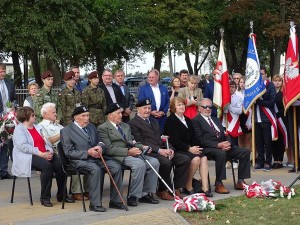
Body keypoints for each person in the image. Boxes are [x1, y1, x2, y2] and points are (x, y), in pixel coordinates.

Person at [60, 105, 124, 212]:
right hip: (79, 161)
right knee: (95, 169)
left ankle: (116, 201)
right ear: (76, 117)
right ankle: (95, 204)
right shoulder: (66, 131)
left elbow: (101, 141)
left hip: (97, 158)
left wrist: (99, 146)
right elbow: (69, 152)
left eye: (88, 115)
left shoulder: (91, 126)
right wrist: (87, 152)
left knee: (116, 167)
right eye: (83, 116)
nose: (87, 118)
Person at [98, 103, 160, 207]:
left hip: (131, 153)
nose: (121, 115)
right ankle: (133, 196)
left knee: (154, 162)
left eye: (121, 113)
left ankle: (145, 194)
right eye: (118, 113)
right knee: (139, 164)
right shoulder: (103, 128)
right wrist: (128, 152)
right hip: (117, 156)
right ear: (110, 115)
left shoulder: (125, 126)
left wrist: (143, 147)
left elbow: (132, 141)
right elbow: (108, 149)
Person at [128, 98, 191, 200]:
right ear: (138, 109)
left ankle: (176, 187)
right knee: (166, 162)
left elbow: (162, 137)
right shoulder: (133, 123)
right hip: (149, 152)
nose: (148, 110)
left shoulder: (154, 121)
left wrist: (170, 149)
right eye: (145, 108)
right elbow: (141, 142)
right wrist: (159, 150)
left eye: (149, 108)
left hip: (162, 150)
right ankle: (162, 190)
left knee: (184, 159)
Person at [11, 106, 74, 207]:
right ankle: (45, 198)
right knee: (47, 167)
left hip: (44, 153)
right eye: (33, 115)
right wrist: (41, 154)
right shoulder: (19, 130)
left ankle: (62, 195)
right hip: (28, 155)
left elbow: (45, 142)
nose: (35, 116)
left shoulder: (37, 127)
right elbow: (23, 147)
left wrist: (49, 152)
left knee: (60, 165)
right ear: (26, 117)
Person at [192, 98, 251, 194]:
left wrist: (228, 143)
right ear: (199, 108)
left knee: (245, 151)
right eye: (205, 107)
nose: (208, 109)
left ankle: (240, 181)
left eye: (210, 107)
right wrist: (218, 145)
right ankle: (219, 183)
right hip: (208, 148)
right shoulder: (195, 121)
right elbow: (200, 140)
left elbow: (225, 134)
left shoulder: (215, 119)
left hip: (222, 145)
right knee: (221, 153)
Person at [164, 97, 212, 197]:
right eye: (179, 105)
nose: (182, 107)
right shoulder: (170, 120)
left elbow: (194, 137)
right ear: (174, 107)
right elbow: (174, 140)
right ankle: (188, 185)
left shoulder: (188, 120)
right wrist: (189, 148)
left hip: (189, 148)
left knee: (203, 157)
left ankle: (205, 187)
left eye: (182, 104)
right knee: (196, 159)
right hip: (178, 150)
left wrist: (196, 148)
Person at [254, 67, 276, 171]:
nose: (260, 76)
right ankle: (260, 161)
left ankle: (268, 162)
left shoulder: (270, 85)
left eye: (262, 74)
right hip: (256, 118)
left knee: (267, 142)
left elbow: (271, 102)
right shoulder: (254, 87)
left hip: (266, 118)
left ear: (266, 74)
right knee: (259, 143)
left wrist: (260, 101)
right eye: (258, 74)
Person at [138, 69, 169, 133]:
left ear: (157, 78)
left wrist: (163, 112)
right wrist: (150, 112)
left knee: (162, 136)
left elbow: (167, 101)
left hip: (162, 118)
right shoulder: (143, 89)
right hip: (149, 117)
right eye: (149, 77)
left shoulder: (164, 88)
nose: (150, 79)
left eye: (152, 77)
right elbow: (141, 102)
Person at [0, 63, 16, 180]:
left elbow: (14, 98)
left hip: (8, 118)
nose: (3, 73)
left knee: (5, 144)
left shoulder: (9, 83)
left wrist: (13, 107)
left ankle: (4, 171)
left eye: (4, 71)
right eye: (0, 71)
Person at [271, 75, 287, 169]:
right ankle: (275, 160)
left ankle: (280, 161)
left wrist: (278, 114)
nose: (277, 82)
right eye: (275, 81)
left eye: (279, 81)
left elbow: (285, 106)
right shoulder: (271, 92)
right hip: (272, 119)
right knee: (273, 139)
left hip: (281, 118)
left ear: (281, 82)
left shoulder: (283, 93)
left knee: (280, 140)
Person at [224, 81, 243, 147]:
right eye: (229, 87)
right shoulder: (223, 98)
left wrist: (229, 106)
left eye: (233, 87)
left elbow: (240, 111)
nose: (231, 88)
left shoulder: (238, 98)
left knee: (233, 143)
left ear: (235, 88)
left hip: (233, 122)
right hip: (224, 122)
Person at [237, 76, 252, 152]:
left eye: (244, 82)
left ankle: (248, 156)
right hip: (239, 116)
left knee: (248, 137)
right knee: (240, 137)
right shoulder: (237, 93)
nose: (242, 84)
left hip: (248, 116)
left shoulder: (250, 93)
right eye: (241, 82)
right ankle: (242, 155)